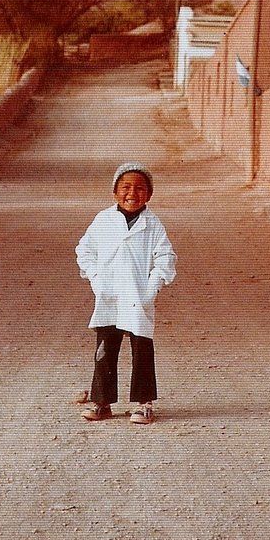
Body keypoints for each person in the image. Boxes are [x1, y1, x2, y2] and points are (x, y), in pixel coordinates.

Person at [75, 162, 177, 425]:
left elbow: (165, 258)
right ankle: (102, 402)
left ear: (149, 195)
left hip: (137, 297)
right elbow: (84, 251)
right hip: (109, 296)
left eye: (140, 188)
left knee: (141, 350)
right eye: (126, 187)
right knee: (105, 351)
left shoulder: (153, 225)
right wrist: (96, 279)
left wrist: (150, 288)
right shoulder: (103, 220)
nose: (132, 193)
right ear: (115, 192)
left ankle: (144, 404)